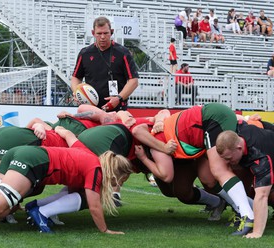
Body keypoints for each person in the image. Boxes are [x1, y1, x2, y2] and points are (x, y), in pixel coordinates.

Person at [0, 126, 134, 239]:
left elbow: (68, 135)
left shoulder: (88, 155)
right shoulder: (96, 169)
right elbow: (95, 204)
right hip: (33, 160)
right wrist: (104, 230)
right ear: (115, 173)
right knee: (0, 205)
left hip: (24, 154)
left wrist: (58, 128)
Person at [133, 103, 255, 235]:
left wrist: (150, 155)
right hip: (204, 127)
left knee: (219, 170)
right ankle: (251, 208)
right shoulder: (152, 131)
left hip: (210, 119)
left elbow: (166, 174)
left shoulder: (151, 138)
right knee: (207, 179)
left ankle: (248, 215)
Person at [216, 123, 274, 238]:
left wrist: (256, 232)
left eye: (229, 158)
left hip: (269, 150)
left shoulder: (261, 158)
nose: (227, 162)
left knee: (266, 195)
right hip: (267, 135)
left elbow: (262, 196)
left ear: (239, 148)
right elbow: (242, 120)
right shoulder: (238, 129)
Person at [71, 16, 139, 112]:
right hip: (91, 109)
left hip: (117, 108)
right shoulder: (85, 53)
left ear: (111, 32)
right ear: (93, 33)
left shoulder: (123, 53)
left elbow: (133, 81)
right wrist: (76, 92)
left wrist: (118, 98)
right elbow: (76, 77)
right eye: (99, 33)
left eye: (106, 33)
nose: (102, 37)